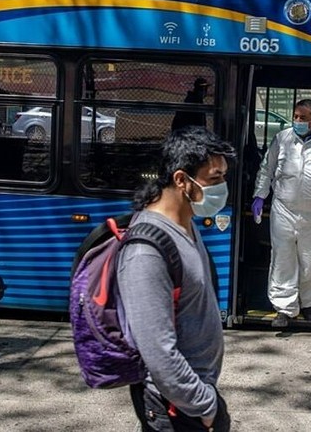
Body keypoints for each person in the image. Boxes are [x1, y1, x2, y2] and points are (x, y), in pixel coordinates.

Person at [118, 126, 235, 431]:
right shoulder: (146, 253)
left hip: (193, 396)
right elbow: (158, 351)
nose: (222, 186)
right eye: (215, 178)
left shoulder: (186, 224)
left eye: (223, 176)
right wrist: (205, 407)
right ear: (182, 180)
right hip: (175, 405)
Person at [250, 99, 311, 328]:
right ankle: (284, 309)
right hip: (284, 209)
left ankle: (309, 303)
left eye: (303, 118)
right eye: (295, 116)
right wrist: (260, 195)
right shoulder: (282, 139)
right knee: (283, 259)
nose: (297, 121)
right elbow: (267, 168)